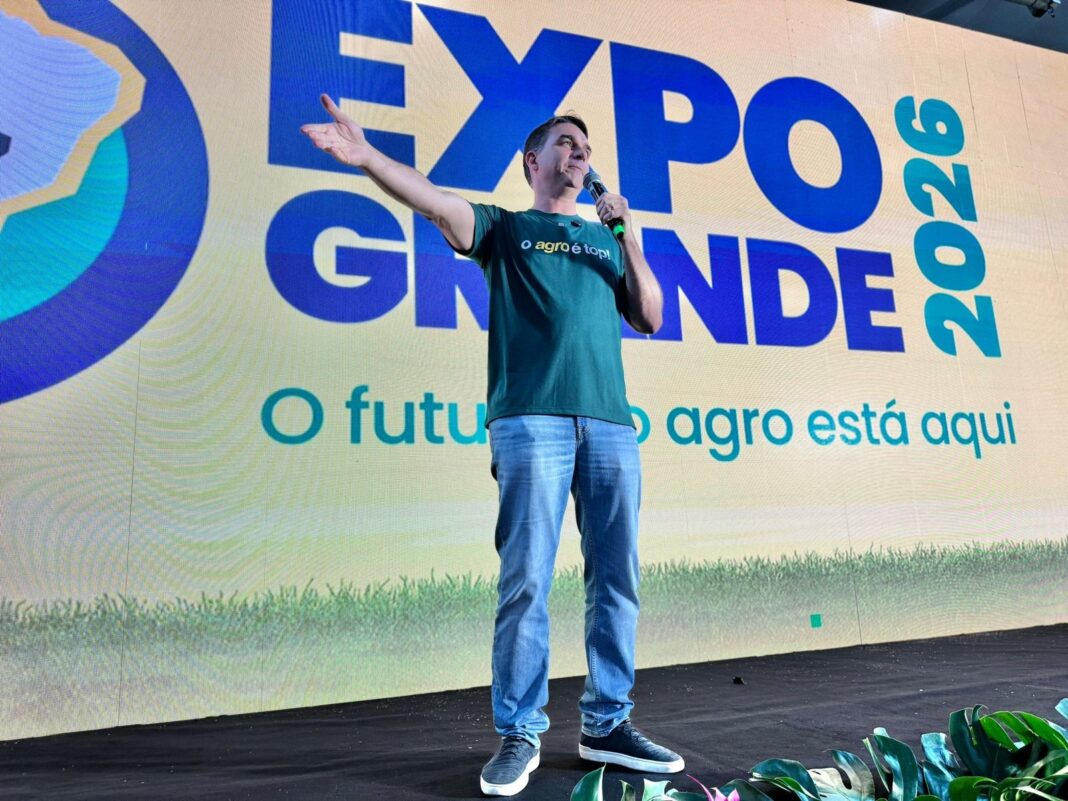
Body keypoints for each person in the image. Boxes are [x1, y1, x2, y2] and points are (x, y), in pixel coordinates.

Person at [302, 95, 683, 797]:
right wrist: (367, 157)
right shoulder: (506, 228)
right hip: (529, 420)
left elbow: (652, 315)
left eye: (586, 147)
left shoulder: (605, 239)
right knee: (527, 579)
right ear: (533, 161)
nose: (580, 153)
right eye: (565, 143)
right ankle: (520, 731)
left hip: (609, 423)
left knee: (616, 579)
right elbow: (434, 202)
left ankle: (607, 724)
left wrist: (628, 235)